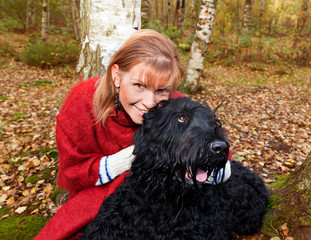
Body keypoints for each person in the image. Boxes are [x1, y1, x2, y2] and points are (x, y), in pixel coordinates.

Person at [35, 29, 231, 240]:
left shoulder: (174, 108)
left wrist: (196, 168)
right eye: (139, 85)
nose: (149, 102)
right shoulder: (81, 100)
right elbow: (72, 171)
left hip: (152, 201)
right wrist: (132, 157)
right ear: (117, 76)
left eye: (161, 90)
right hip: (94, 197)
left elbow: (221, 158)